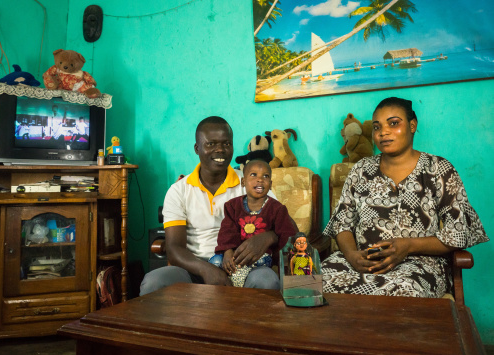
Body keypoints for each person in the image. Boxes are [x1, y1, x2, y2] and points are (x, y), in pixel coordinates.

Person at [321, 97, 489, 297]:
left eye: (393, 123)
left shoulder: (438, 170)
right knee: (312, 285)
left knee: (403, 293)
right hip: (362, 260)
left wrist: (408, 245)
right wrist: (351, 255)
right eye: (377, 127)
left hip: (419, 264)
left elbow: (458, 234)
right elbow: (342, 224)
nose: (383, 132)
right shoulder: (361, 170)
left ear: (412, 125)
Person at [139, 116, 285, 295]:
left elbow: (284, 228)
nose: (220, 150)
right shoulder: (179, 191)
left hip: (245, 268)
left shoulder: (252, 183)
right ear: (197, 148)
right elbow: (174, 248)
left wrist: (269, 237)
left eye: (226, 144)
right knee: (154, 282)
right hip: (195, 269)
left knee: (266, 281)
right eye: (211, 144)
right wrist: (206, 270)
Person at [208, 159, 296, 287]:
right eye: (253, 175)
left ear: (270, 184)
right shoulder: (232, 206)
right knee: (215, 261)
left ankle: (239, 277)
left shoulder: (277, 209)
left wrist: (282, 263)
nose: (260, 179)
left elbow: (286, 236)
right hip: (236, 255)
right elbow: (227, 231)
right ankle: (235, 277)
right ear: (243, 182)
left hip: (260, 258)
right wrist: (227, 251)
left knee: (261, 263)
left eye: (265, 176)